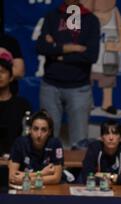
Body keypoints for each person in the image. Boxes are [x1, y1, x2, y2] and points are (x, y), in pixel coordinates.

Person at [36, 0, 100, 147]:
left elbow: (91, 56)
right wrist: (73, 48)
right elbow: (41, 47)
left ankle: (76, 171)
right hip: (50, 86)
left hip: (79, 88)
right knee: (46, 139)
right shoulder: (52, 16)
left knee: (79, 143)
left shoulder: (90, 20)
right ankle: (47, 170)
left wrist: (58, 51)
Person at [8, 111, 64, 186]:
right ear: (30, 130)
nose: (39, 135)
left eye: (43, 130)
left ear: (49, 132)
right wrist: (43, 173)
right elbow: (12, 177)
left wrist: (25, 178)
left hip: (48, 189)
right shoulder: (20, 143)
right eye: (35, 129)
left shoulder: (55, 144)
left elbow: (56, 178)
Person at [80, 120, 121, 185]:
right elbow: (86, 177)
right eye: (107, 134)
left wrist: (108, 177)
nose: (111, 138)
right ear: (101, 138)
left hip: (119, 191)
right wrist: (120, 178)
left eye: (115, 134)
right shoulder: (94, 148)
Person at [0, 51, 32, 157]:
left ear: (11, 77)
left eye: (3, 72)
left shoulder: (22, 105)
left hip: (17, 159)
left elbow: (28, 135)